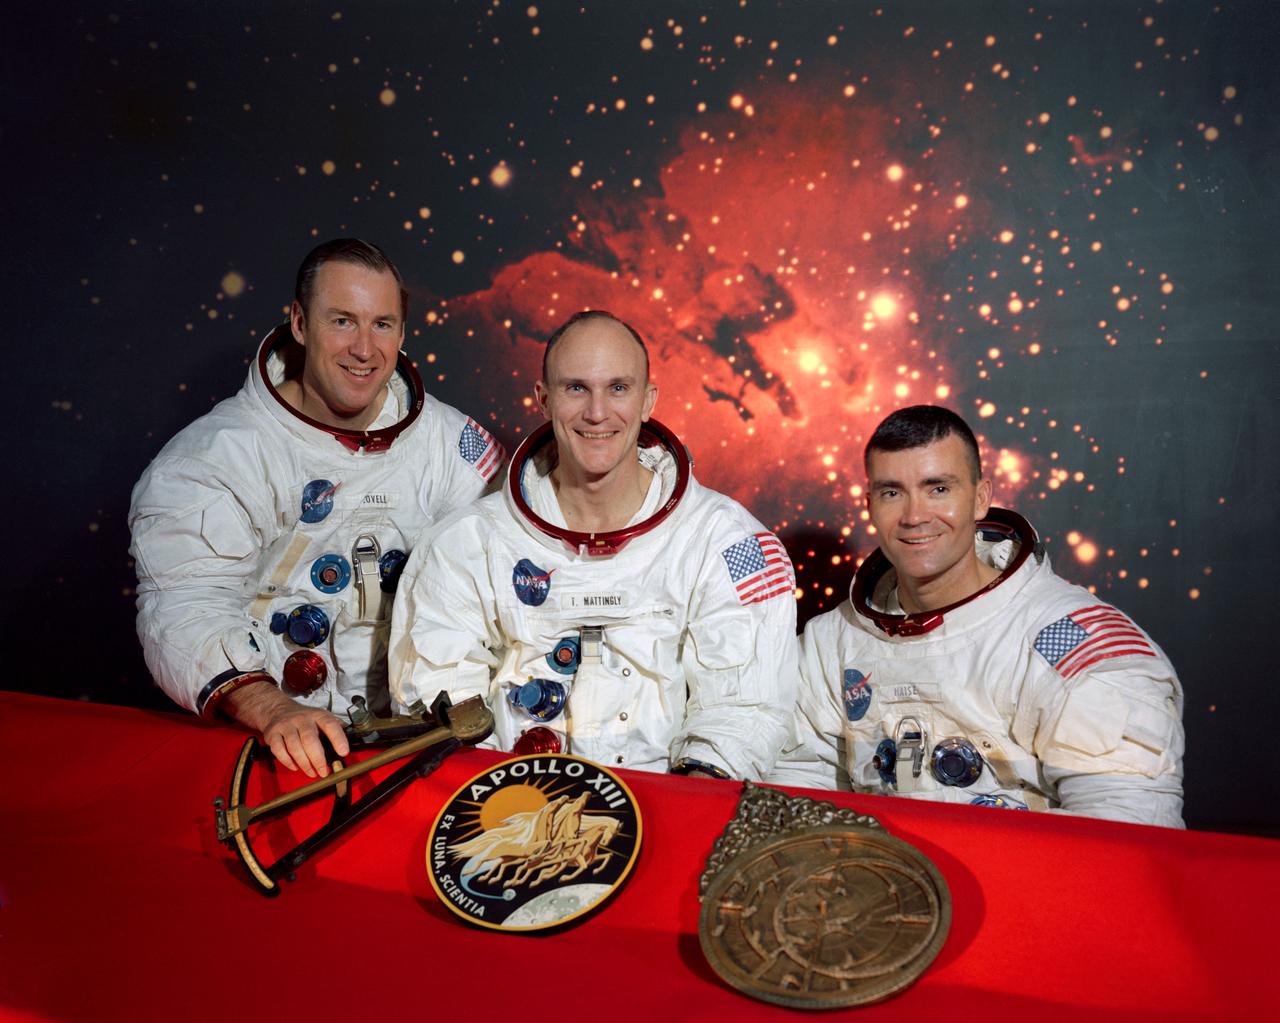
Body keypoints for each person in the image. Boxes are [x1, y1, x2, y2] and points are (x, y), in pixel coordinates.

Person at [129, 238, 502, 777]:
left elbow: (502, 583)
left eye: (382, 325)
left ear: (402, 332)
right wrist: (272, 707)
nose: (364, 349)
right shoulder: (215, 456)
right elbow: (185, 605)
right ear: (299, 323)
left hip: (414, 744)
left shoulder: (453, 447)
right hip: (274, 742)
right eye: (343, 321)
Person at [389, 310, 798, 779]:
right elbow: (439, 696)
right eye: (576, 388)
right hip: (509, 803)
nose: (597, 413)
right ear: (543, 399)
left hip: (669, 806)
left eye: (618, 388)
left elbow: (744, 708)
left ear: (648, 401)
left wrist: (690, 802)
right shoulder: (469, 543)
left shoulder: (723, 541)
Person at [767, 405, 1185, 827]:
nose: (914, 516)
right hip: (878, 883)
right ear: (870, 503)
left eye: (938, 489)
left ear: (981, 498)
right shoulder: (831, 644)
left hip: (1030, 884)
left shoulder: (1070, 644)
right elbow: (798, 797)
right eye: (892, 492)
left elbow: (1123, 833)